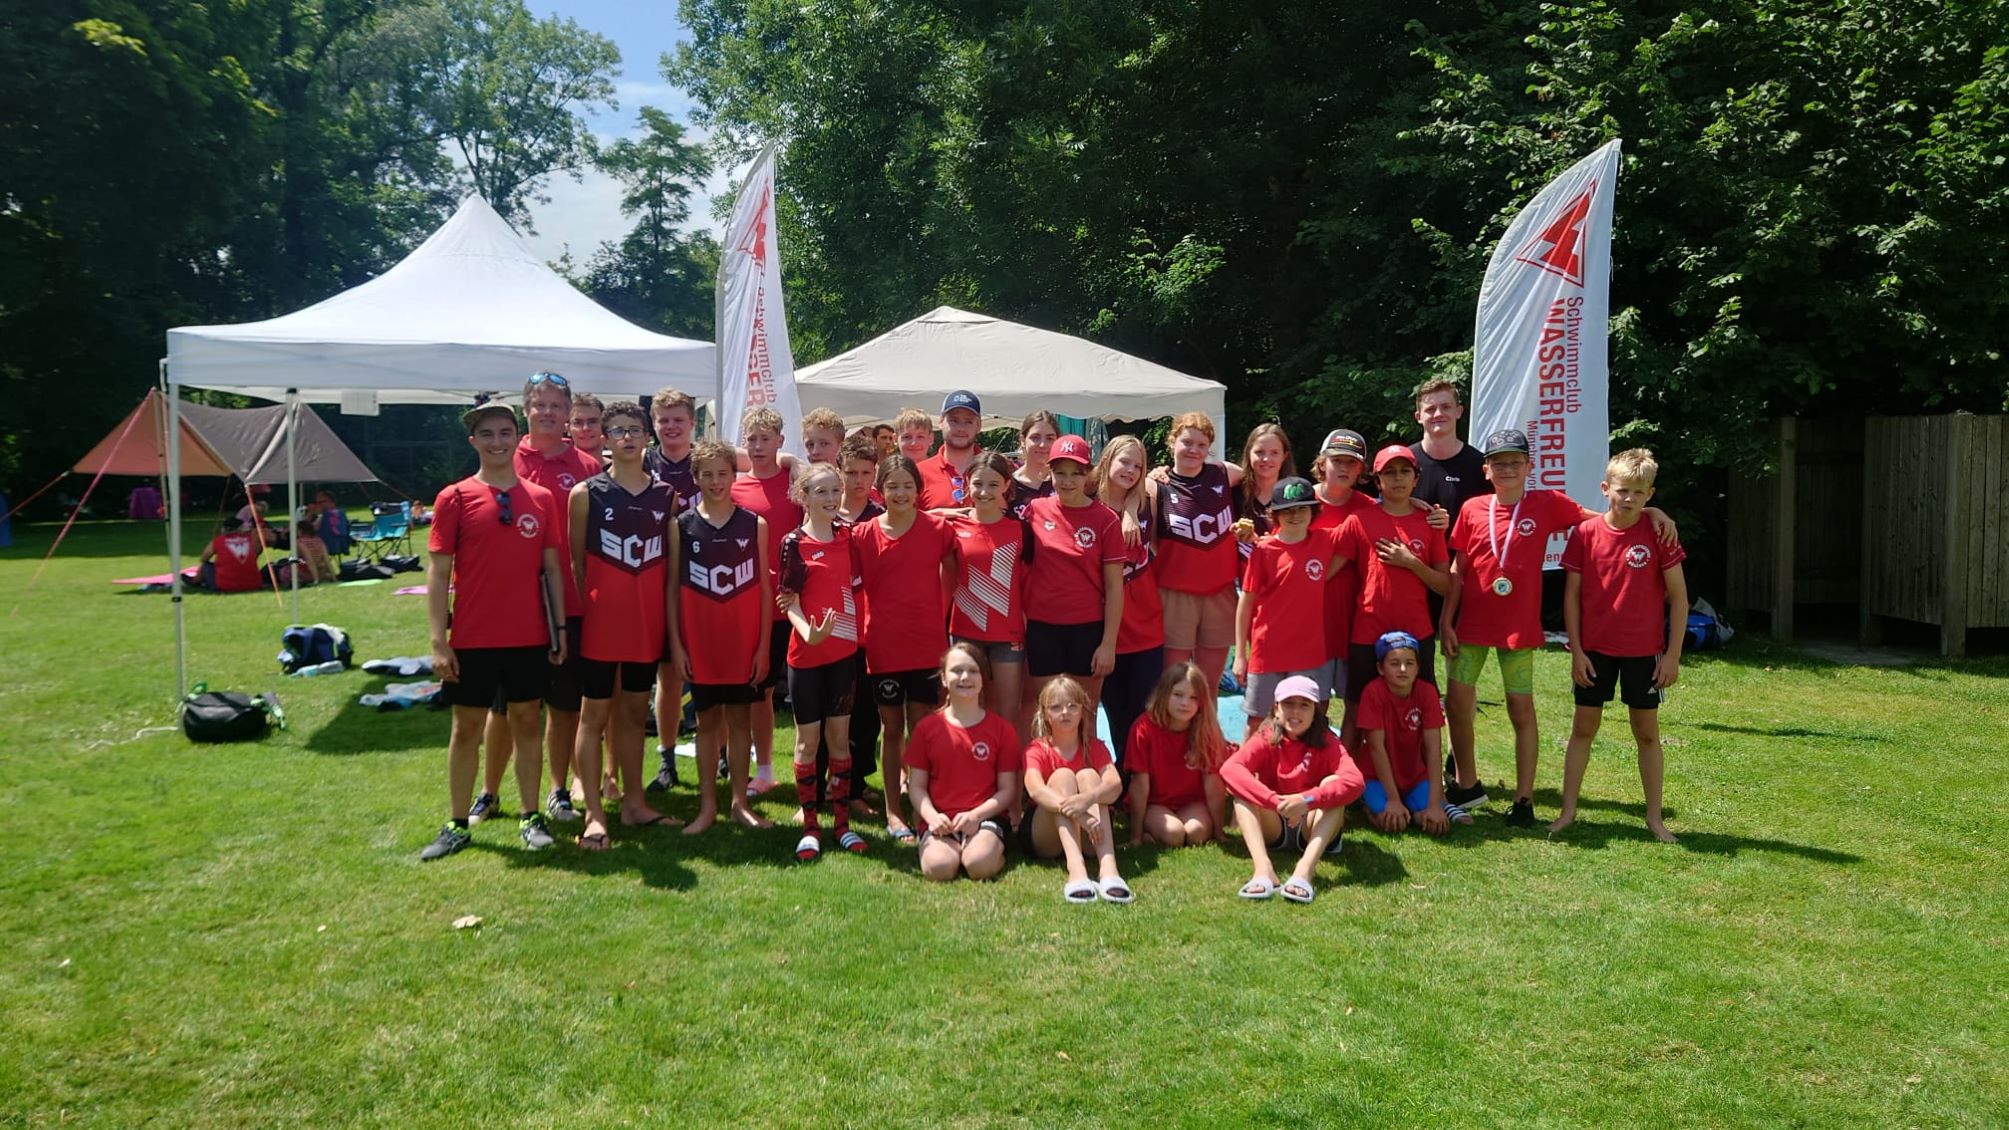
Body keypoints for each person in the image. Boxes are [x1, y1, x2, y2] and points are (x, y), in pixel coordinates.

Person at [1439, 428, 1679, 827]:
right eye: (1499, 463)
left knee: (1521, 710)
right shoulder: (1472, 509)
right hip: (1470, 627)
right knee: (1458, 704)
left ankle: (1524, 799)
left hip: (1518, 630)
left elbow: (1604, 519)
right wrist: (1446, 620)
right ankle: (1467, 784)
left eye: (1516, 462)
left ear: (1530, 467)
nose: (1508, 469)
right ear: (1486, 470)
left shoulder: (1547, 503)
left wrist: (1652, 512)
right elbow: (1457, 569)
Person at [419, 404, 568, 860]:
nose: (498, 441)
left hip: (528, 635)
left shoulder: (540, 498)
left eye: (506, 432)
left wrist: (558, 629)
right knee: (466, 729)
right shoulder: (455, 497)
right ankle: (457, 822)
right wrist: (438, 640)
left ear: (516, 436)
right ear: (474, 441)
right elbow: (438, 571)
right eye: (488, 434)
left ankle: (530, 815)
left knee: (526, 723)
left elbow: (552, 570)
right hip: (472, 637)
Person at [470, 371, 601, 830]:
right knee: (504, 708)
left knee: (564, 706)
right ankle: (488, 792)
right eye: (539, 404)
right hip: (515, 609)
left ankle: (558, 788)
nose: (547, 412)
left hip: (572, 605)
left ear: (568, 413)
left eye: (555, 405)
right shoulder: (506, 455)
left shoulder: (587, 467)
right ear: (526, 408)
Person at [1552, 449, 1690, 842]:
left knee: (1647, 734)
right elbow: (1571, 598)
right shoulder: (1585, 534)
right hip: (1594, 652)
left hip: (1645, 654)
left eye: (1638, 492)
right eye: (1621, 490)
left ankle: (1654, 819)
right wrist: (1576, 651)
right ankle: (1567, 812)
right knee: (1583, 729)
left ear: (1650, 494)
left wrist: (1673, 657)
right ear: (1605, 489)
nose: (1628, 498)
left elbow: (1679, 598)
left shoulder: (1659, 533)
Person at [567, 401, 677, 851]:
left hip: (645, 626)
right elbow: (577, 565)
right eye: (618, 431)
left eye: (635, 430)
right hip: (600, 627)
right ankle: (594, 812)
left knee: (634, 713)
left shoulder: (665, 495)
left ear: (647, 437)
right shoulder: (585, 494)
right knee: (593, 716)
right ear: (605, 439)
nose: (627, 438)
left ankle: (634, 804)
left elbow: (668, 569)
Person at [852, 453, 955, 843]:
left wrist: (940, 612)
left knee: (923, 729)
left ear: (918, 490)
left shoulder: (937, 529)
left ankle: (922, 808)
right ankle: (894, 813)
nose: (900, 492)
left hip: (927, 644)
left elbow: (952, 568)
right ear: (880, 489)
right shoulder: (864, 535)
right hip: (884, 645)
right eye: (892, 485)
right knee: (891, 728)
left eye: (907, 485)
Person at [672, 440, 773, 834]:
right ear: (696, 478)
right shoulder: (681, 525)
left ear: (735, 475)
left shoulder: (754, 524)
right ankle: (707, 806)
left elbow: (765, 590)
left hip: (743, 644)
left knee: (740, 723)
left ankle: (740, 804)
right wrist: (678, 645)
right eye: (707, 474)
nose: (716, 481)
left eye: (722, 473)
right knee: (706, 724)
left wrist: (762, 646)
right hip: (700, 645)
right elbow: (671, 590)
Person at [778, 462, 867, 860]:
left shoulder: (849, 537)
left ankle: (843, 825)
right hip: (806, 655)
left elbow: (859, 588)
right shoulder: (793, 542)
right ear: (804, 497)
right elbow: (788, 600)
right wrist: (807, 632)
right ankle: (811, 828)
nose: (831, 499)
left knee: (839, 739)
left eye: (836, 491)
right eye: (822, 492)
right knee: (807, 741)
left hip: (844, 654)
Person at [1219, 675, 1364, 903]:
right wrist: (1277, 802)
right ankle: (1263, 870)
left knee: (1332, 785)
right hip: (1276, 822)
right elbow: (1230, 769)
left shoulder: (1328, 741)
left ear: (1316, 711)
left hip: (1312, 825)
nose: (1295, 712)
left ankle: (1304, 872)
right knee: (1242, 795)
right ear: (1276, 708)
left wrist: (1306, 801)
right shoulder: (1266, 737)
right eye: (1288, 704)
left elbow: (1355, 781)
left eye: (1304, 705)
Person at [1332, 446, 1451, 712]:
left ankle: (1418, 756)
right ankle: (1353, 756)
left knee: (1420, 709)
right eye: (1390, 472)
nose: (1398, 478)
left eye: (1404, 471)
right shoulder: (1358, 521)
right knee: (1357, 709)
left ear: (1416, 478)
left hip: (1416, 629)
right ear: (1378, 480)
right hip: (1368, 628)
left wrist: (1411, 563)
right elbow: (1328, 570)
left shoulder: (1430, 521)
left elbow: (1445, 585)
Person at [1023, 434, 1125, 716]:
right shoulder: (1035, 510)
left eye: (1075, 474)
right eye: (1060, 473)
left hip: (1087, 630)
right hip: (1042, 628)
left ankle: (1087, 762)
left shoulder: (1105, 520)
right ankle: (1048, 763)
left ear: (1088, 474)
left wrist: (1108, 644)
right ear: (1050, 473)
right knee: (1047, 715)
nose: (1067, 481)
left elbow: (1115, 587)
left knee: (1084, 717)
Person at [730, 405, 802, 797]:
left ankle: (813, 766)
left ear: (779, 441)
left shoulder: (796, 482)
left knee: (804, 690)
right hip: (753, 604)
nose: (758, 447)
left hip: (795, 603)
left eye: (765, 439)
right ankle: (764, 768)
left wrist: (793, 462)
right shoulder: (735, 487)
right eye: (751, 439)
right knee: (759, 690)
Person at [1233, 477, 1339, 737]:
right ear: (1275, 515)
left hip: (1308, 653)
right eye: (1287, 511)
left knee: (1306, 721)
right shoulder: (1264, 549)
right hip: (1267, 651)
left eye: (1302, 509)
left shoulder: (1325, 541)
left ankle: (1297, 776)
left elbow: (1367, 517)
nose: (1295, 516)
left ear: (1313, 512)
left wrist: (1416, 502)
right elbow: (1245, 604)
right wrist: (1239, 655)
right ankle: (1243, 775)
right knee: (1258, 721)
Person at [908, 642, 1022, 882]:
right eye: (956, 670)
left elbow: (1008, 789)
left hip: (984, 818)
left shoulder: (1002, 729)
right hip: (941, 820)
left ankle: (984, 848)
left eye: (973, 671)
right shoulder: (926, 728)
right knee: (939, 868)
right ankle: (948, 849)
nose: (965, 677)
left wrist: (976, 816)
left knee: (978, 865)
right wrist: (931, 817)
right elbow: (916, 786)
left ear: (983, 679)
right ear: (943, 678)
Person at [1151, 412, 1243, 689]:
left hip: (1220, 592)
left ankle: (1206, 734)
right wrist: (1155, 471)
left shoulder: (1224, 473)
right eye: (1187, 442)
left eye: (1201, 445)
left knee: (1208, 685)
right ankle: (1172, 733)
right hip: (1176, 594)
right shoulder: (1156, 485)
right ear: (1172, 442)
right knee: (1174, 684)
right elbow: (1152, 537)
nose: (1194, 450)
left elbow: (1261, 476)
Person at [1021, 677, 1131, 903]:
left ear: (1083, 711)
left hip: (1091, 833)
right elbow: (1035, 790)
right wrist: (1079, 813)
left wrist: (1087, 799)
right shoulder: (1037, 748)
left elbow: (1115, 785)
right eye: (1056, 707)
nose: (1065, 712)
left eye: (1072, 705)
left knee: (1089, 776)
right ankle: (1077, 870)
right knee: (1063, 776)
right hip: (1046, 835)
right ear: (1045, 714)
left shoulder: (1095, 746)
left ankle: (1109, 869)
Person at [947, 452, 1031, 743]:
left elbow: (1028, 582)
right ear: (966, 483)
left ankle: (1009, 778)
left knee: (1009, 711)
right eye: (977, 483)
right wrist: (941, 513)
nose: (984, 492)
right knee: (969, 709)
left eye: (993, 485)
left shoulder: (1021, 530)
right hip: (965, 635)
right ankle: (971, 775)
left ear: (1007, 485)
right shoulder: (952, 527)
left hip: (1008, 635)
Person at [1093, 434, 1164, 763]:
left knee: (1143, 709)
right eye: (1125, 461)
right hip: (1103, 626)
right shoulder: (1086, 501)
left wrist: (1132, 508)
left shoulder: (1148, 498)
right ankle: (1115, 775)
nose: (1131, 470)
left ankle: (1136, 777)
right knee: (1112, 709)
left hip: (1145, 623)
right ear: (1107, 459)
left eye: (1138, 465)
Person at [644, 387, 700, 794]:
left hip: (708, 579)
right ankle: (667, 759)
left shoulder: (711, 459)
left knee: (714, 674)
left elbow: (764, 460)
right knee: (668, 677)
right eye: (664, 419)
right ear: (653, 423)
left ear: (693, 422)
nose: (671, 426)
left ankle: (720, 756)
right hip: (659, 582)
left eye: (678, 418)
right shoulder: (644, 462)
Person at [1357, 631, 1466, 836]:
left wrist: (1434, 805)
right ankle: (1369, 805)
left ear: (1418, 667)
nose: (1403, 669)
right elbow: (1375, 747)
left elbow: (1434, 749)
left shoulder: (1426, 692)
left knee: (1433, 823)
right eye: (1394, 663)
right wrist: (1393, 800)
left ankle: (1425, 810)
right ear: (1380, 668)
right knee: (1391, 822)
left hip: (1414, 777)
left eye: (1409, 663)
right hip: (1376, 777)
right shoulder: (1373, 693)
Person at [1308, 429, 1375, 739]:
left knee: (1357, 702)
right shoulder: (1301, 499)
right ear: (1323, 463)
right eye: (1337, 460)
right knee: (1312, 700)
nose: (1344, 468)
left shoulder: (1370, 508)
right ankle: (1308, 765)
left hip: (1356, 619)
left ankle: (1347, 770)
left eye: (1352, 462)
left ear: (1362, 469)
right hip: (1312, 619)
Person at [1124, 662, 1229, 848]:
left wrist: (1219, 831)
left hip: (1191, 802)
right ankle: (1148, 834)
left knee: (1196, 833)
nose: (1185, 703)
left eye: (1193, 698)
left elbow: (1213, 783)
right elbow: (1140, 783)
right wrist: (1135, 836)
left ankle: (1158, 835)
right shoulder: (1144, 728)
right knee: (1174, 834)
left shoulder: (1207, 731)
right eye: (1178, 695)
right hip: (1155, 803)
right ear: (1164, 694)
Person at [1230, 421, 1296, 560]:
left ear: (1284, 456)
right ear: (1249, 454)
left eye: (1274, 453)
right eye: (1259, 452)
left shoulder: (1294, 498)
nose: (1266, 459)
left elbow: (1301, 550)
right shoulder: (1232, 492)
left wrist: (1261, 541)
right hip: (1239, 579)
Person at [916, 390, 984, 510]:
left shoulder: (998, 469)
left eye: (968, 421)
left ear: (978, 426)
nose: (961, 428)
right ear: (941, 422)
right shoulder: (919, 473)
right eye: (954, 420)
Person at [1008, 410, 1059, 519]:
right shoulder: (1008, 485)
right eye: (1035, 437)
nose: (1042, 444)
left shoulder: (1063, 484)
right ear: (1023, 440)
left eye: (1050, 438)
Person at [197, 517, 269, 593]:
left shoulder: (218, 540)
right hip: (254, 584)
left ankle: (195, 581)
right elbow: (256, 553)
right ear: (240, 528)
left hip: (226, 586)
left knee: (206, 566)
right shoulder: (250, 540)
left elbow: (204, 558)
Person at [293, 493, 337, 584]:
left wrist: (315, 580)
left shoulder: (300, 542)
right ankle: (326, 576)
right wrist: (334, 579)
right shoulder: (319, 540)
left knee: (283, 569)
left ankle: (313, 578)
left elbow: (310, 561)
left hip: (308, 572)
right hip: (321, 570)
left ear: (300, 531)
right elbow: (327, 560)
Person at [568, 393, 607, 460]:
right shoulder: (557, 469)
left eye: (593, 421)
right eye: (578, 423)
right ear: (568, 428)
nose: (586, 428)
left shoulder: (621, 469)